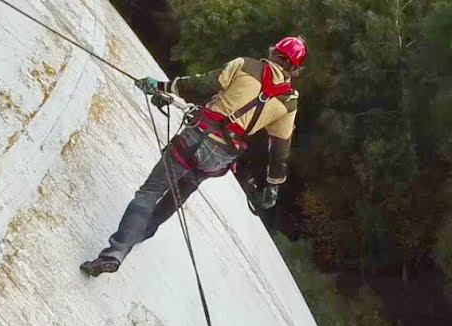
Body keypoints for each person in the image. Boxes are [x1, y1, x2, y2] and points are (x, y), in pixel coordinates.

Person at [80, 36, 307, 277]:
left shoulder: (245, 65)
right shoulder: (289, 101)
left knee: (149, 193)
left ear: (273, 52)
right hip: (219, 159)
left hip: (194, 140)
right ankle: (133, 240)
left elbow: (200, 85)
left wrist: (160, 86)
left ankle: (116, 252)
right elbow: (280, 149)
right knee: (174, 199)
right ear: (295, 69)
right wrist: (273, 186)